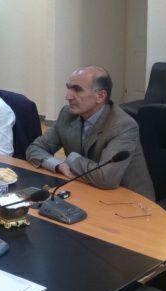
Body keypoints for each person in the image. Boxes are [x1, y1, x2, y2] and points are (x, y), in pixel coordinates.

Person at [26, 66, 155, 199]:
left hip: (129, 201)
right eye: (68, 88)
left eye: (77, 90)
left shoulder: (123, 125)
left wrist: (71, 159)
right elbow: (35, 148)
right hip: (85, 190)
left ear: (100, 96)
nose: (68, 96)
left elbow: (106, 178)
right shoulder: (67, 114)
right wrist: (58, 165)